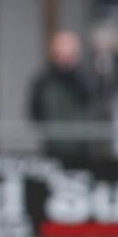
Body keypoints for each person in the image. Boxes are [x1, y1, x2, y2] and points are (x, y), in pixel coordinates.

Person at [28, 30, 91, 160]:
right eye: (60, 53)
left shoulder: (84, 77)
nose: (64, 58)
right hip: (52, 148)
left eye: (69, 53)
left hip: (82, 148)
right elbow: (34, 111)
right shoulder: (43, 79)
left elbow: (91, 103)